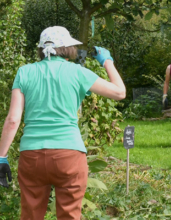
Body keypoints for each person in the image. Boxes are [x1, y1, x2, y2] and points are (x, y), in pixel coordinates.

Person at [0, 26, 126, 219]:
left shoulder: (24, 72)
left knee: (30, 215)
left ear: (41, 49)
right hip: (69, 154)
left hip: (31, 155)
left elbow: (12, 120)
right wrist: (107, 61)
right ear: (67, 48)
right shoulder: (77, 72)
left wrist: (1, 157)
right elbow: (119, 93)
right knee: (69, 215)